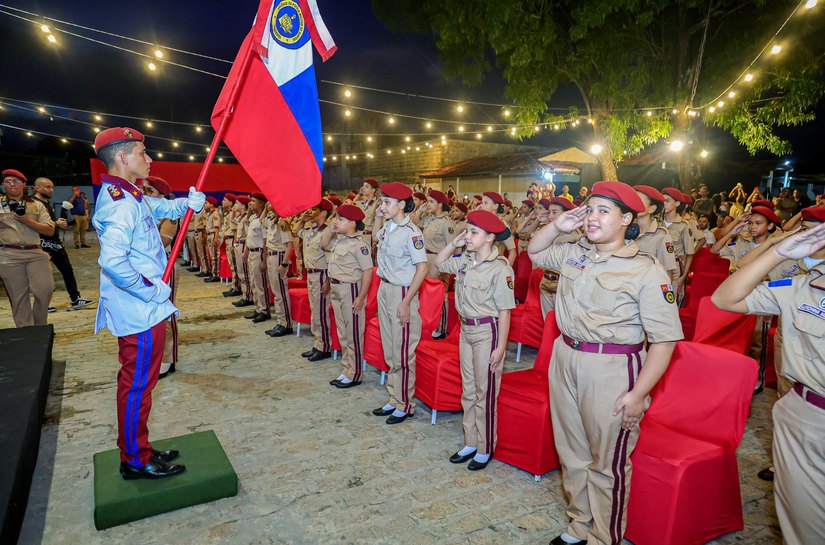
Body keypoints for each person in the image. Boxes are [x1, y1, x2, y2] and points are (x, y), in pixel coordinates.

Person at [528, 181, 682, 545]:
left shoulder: (646, 270)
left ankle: (603, 537)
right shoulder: (575, 252)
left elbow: (665, 340)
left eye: (603, 211)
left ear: (626, 219)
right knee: (572, 451)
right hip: (566, 356)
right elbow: (534, 252)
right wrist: (556, 226)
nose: (592, 217)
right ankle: (579, 525)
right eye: (590, 209)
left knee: (607, 462)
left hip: (611, 367)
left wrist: (639, 393)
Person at [92, 127, 204, 479]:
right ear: (123, 157)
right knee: (137, 385)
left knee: (143, 383)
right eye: (143, 152)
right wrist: (149, 290)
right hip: (139, 308)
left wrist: (188, 203)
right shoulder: (121, 203)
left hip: (146, 305)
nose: (149, 157)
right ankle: (135, 460)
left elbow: (160, 207)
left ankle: (138, 445)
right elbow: (112, 262)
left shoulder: (131, 194)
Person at [711, 207, 825, 545]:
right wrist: (778, 250)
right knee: (806, 524)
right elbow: (725, 298)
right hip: (808, 415)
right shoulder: (803, 286)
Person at [435, 210, 515, 471]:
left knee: (485, 391)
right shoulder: (465, 260)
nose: (467, 236)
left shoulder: (501, 269)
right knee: (468, 390)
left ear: (490, 237)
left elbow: (505, 311)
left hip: (487, 333)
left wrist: (501, 347)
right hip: (466, 331)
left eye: (473, 232)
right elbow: (438, 263)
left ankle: (485, 446)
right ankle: (470, 440)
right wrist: (453, 244)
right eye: (467, 231)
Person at [372, 182, 429, 425]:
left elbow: (423, 268)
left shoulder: (412, 233)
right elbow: (375, 240)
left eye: (386, 202)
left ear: (401, 205)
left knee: (403, 350)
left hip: (401, 292)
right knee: (389, 348)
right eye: (382, 201)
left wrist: (406, 301)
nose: (382, 206)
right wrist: (377, 217)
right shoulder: (387, 227)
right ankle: (394, 397)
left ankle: (405, 403)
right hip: (384, 288)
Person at [320, 204, 373, 388]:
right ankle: (346, 368)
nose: (336, 222)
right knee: (343, 332)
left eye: (340, 219)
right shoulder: (339, 239)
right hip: (336, 288)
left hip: (350, 289)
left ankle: (355, 373)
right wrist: (331, 227)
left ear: (352, 223)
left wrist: (361, 296)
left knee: (353, 333)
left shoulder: (360, 244)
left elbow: (367, 271)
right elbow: (323, 244)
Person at [0, 168, 56, 327]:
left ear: (24, 184)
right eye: (8, 181)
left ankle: (40, 326)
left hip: (35, 253)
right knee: (18, 297)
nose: (12, 184)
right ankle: (27, 332)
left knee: (45, 289)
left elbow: (50, 230)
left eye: (16, 181)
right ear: (3, 184)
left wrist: (26, 221)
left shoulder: (36, 205)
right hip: (8, 254)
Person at [32, 177, 94, 310]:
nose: (51, 190)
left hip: (55, 242)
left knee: (67, 270)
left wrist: (60, 223)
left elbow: (49, 223)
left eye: (52, 187)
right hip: (41, 243)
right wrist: (55, 223)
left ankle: (76, 299)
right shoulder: (32, 203)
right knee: (42, 274)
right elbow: (32, 224)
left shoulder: (47, 202)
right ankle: (44, 303)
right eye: (47, 187)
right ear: (37, 188)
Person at [139, 176, 180, 379]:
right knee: (149, 315)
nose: (144, 194)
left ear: (161, 196)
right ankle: (153, 356)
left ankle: (167, 359)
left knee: (165, 315)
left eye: (149, 191)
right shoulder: (140, 212)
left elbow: (163, 242)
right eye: (143, 190)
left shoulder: (168, 215)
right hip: (146, 268)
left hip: (164, 266)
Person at [296, 199, 334, 361]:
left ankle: (324, 346)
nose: (311, 212)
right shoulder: (310, 229)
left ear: (324, 213)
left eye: (315, 209)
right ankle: (318, 343)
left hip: (321, 274)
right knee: (315, 311)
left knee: (320, 312)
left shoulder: (327, 233)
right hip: (310, 274)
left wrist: (328, 281)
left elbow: (331, 259)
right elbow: (296, 232)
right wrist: (302, 220)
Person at [420, 190, 455, 338]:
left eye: (431, 202)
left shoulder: (447, 223)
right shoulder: (428, 219)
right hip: (424, 258)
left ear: (440, 204)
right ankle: (427, 324)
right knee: (425, 293)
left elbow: (452, 246)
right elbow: (413, 221)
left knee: (439, 295)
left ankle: (440, 328)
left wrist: (445, 267)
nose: (428, 204)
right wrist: (419, 209)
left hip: (438, 261)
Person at [632, 186, 679, 286]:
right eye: (632, 199)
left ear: (651, 209)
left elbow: (667, 273)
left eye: (638, 200)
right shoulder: (623, 231)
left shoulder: (661, 236)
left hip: (648, 290)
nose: (633, 203)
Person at [263, 202, 294, 337]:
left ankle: (287, 324)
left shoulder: (282, 223)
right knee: (276, 291)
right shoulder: (272, 220)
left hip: (279, 257)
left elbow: (289, 245)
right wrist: (265, 209)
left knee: (281, 291)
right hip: (271, 256)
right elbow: (261, 221)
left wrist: (284, 264)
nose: (268, 205)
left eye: (271, 203)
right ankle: (280, 321)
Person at [662, 188, 696, 304]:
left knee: (672, 301)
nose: (664, 204)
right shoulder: (657, 222)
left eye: (667, 201)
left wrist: (683, 276)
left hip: (675, 267)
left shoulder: (684, 225)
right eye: (662, 201)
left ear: (677, 203)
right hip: (658, 265)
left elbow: (689, 253)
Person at [244, 193, 271, 323]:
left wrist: (264, 260)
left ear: (261, 203)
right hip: (252, 252)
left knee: (260, 283)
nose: (250, 203)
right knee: (254, 282)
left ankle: (264, 310)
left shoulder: (263, 220)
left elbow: (265, 241)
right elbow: (246, 224)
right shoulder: (254, 218)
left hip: (259, 252)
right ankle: (258, 307)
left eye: (253, 201)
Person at [477, 192, 517, 266]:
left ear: (495, 206)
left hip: (494, 266)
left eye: (485, 203)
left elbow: (512, 252)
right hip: (477, 263)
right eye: (481, 203)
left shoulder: (502, 225)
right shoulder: (479, 222)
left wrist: (506, 271)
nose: (481, 206)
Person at [232, 196, 254, 308]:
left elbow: (248, 236)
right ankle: (245, 294)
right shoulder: (240, 218)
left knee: (245, 272)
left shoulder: (246, 218)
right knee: (241, 272)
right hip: (239, 244)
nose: (234, 205)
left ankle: (249, 296)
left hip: (244, 245)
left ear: (243, 205)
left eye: (237, 203)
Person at [203, 197, 221, 282]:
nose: (204, 205)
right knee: (211, 255)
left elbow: (217, 227)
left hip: (213, 235)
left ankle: (216, 274)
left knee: (214, 256)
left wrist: (216, 239)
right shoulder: (209, 214)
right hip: (209, 235)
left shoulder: (215, 213)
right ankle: (213, 272)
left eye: (206, 203)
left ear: (212, 204)